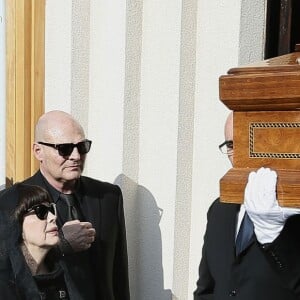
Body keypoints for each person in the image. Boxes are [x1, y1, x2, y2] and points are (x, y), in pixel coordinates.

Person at [0, 110, 130, 300]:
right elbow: (9, 271)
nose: (76, 156)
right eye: (65, 148)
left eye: (82, 146)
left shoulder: (108, 197)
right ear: (38, 151)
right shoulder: (12, 201)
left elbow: (118, 273)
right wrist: (61, 243)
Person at [193, 111, 300, 300]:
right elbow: (206, 289)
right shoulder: (219, 209)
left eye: (246, 143)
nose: (238, 154)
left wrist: (274, 237)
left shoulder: (295, 209)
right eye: (231, 145)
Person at [0, 183, 87, 299]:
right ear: (15, 223)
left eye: (51, 209)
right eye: (41, 211)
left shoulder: (64, 273)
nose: (53, 217)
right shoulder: (4, 283)